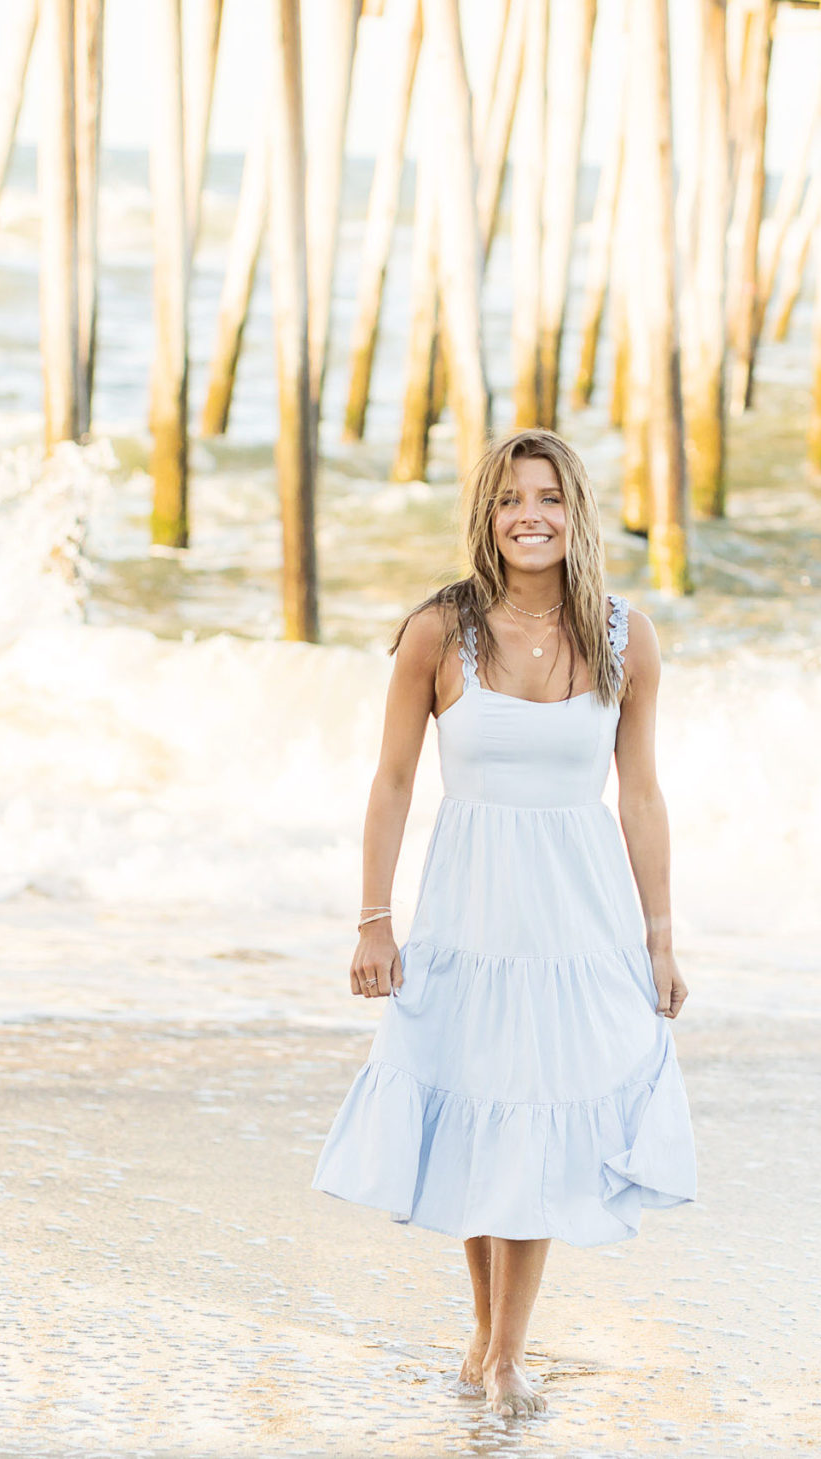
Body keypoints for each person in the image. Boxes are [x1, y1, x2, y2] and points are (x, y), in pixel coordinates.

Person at [313, 429, 696, 1417]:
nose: (531, 516)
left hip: (577, 925)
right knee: (487, 1115)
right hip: (469, 918)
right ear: (485, 516)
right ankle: (485, 1342)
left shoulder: (624, 636)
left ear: (577, 513)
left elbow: (641, 795)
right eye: (510, 500)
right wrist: (372, 921)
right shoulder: (439, 634)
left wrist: (659, 937)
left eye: (549, 498)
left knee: (536, 1123)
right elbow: (393, 780)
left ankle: (505, 1353)